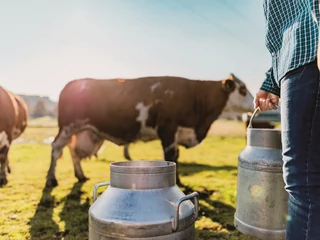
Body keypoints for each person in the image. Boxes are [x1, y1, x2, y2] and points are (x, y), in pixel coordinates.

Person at [254, 1, 320, 239]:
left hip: (309, 57)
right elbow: (278, 29)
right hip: (295, 60)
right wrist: (271, 81)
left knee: (304, 180)